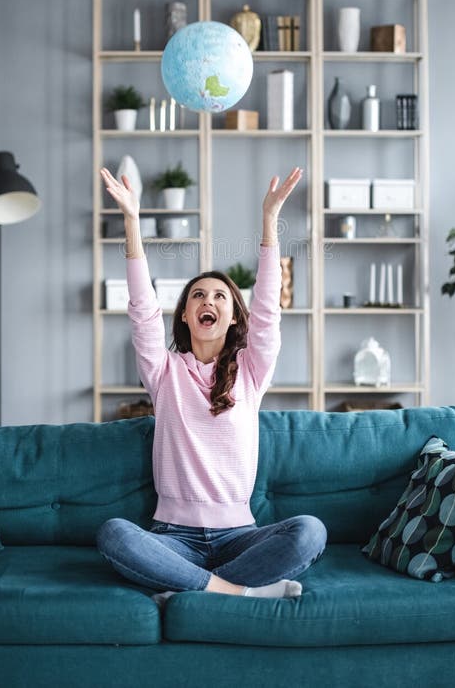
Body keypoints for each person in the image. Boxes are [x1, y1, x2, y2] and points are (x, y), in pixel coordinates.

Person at [96, 165, 327, 606]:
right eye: (198, 296)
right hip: (172, 536)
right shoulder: (163, 373)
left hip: (239, 536)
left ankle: (181, 585)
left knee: (310, 532)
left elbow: (268, 313)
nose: (209, 301)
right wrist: (131, 219)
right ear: (184, 314)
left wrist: (268, 223)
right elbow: (143, 311)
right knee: (115, 535)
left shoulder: (251, 369)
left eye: (220, 296)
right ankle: (234, 592)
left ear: (234, 316)